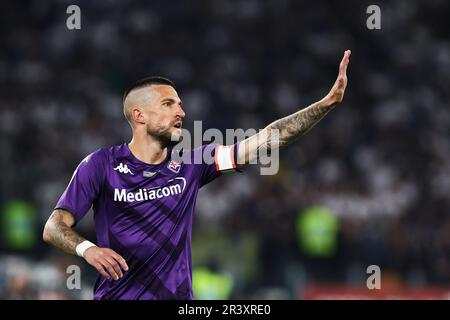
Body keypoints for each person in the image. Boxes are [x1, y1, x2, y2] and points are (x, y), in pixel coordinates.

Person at [43, 50, 351, 300]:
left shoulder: (193, 163)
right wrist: (88, 249)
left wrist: (325, 105)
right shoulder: (100, 165)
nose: (181, 112)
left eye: (180, 104)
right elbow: (54, 226)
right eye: (168, 104)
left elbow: (267, 139)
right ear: (139, 116)